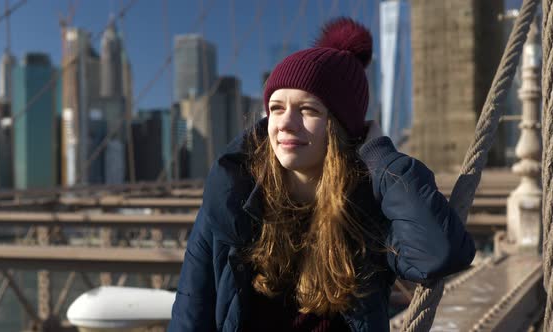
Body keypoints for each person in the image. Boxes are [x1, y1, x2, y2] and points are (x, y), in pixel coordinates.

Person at [169, 17, 475, 332]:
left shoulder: (368, 206)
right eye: (276, 108)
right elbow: (192, 311)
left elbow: (438, 254)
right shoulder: (231, 195)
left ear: (341, 128)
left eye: (308, 110)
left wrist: (379, 153)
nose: (285, 123)